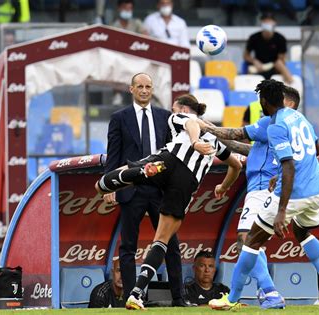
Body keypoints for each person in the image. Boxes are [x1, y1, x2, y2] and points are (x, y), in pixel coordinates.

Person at [95, 93, 242, 310]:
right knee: (161, 240)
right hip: (186, 181)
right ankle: (136, 293)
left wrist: (193, 142)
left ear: (181, 109)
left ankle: (131, 175)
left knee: (104, 184)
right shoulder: (215, 140)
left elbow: (190, 122)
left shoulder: (178, 118)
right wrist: (224, 186)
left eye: (175, 109)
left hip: (169, 161)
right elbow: (236, 166)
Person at [208, 80, 319, 311]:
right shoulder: (299, 117)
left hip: (293, 192)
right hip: (317, 188)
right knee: (303, 232)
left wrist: (281, 211)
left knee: (251, 241)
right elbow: (317, 150)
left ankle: (231, 300)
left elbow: (288, 166)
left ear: (263, 101)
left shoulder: (275, 126)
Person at [198, 86, 301, 309]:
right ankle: (264, 292)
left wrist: (204, 126)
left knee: (246, 240)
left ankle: (267, 292)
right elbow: (248, 148)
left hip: (262, 187)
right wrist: (213, 134)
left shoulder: (273, 122)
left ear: (289, 103)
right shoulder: (293, 125)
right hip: (266, 187)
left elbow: (236, 134)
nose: (264, 104)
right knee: (253, 243)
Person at [103, 73, 187, 307]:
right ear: (131, 89)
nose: (144, 90)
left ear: (152, 89)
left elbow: (173, 153)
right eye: (139, 86)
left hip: (159, 190)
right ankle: (132, 298)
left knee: (170, 243)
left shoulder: (165, 117)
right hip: (131, 189)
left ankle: (179, 298)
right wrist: (111, 183)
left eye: (148, 86)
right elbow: (114, 154)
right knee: (128, 246)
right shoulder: (119, 118)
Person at [243, 12, 293, 84]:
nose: (267, 23)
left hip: (274, 67)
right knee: (249, 70)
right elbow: (246, 55)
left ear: (274, 23)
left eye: (269, 21)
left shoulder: (280, 38)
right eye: (265, 21)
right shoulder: (254, 37)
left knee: (279, 64)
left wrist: (274, 65)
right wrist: (255, 61)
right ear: (261, 23)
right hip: (258, 67)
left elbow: (282, 59)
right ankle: (248, 92)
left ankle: (291, 84)